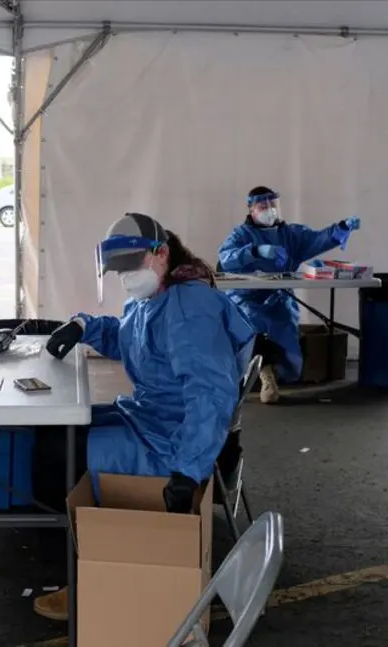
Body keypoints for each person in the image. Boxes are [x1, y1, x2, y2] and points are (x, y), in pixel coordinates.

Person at [32, 212, 256, 621]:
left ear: (162, 254)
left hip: (175, 440)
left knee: (58, 454)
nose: (125, 276)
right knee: (56, 432)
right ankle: (81, 558)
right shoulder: (154, 297)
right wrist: (84, 326)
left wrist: (188, 470)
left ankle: (84, 574)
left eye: (131, 265)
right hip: (149, 418)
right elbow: (131, 340)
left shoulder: (189, 305)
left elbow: (211, 393)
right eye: (118, 269)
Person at [218, 186, 360, 403]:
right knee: (251, 328)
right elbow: (226, 258)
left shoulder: (291, 235)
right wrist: (255, 251)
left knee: (291, 356)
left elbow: (318, 239)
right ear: (251, 209)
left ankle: (273, 370)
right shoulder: (241, 235)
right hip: (245, 298)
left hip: (278, 298)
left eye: (272, 205)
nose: (269, 210)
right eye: (262, 206)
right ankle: (264, 373)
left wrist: (341, 227)